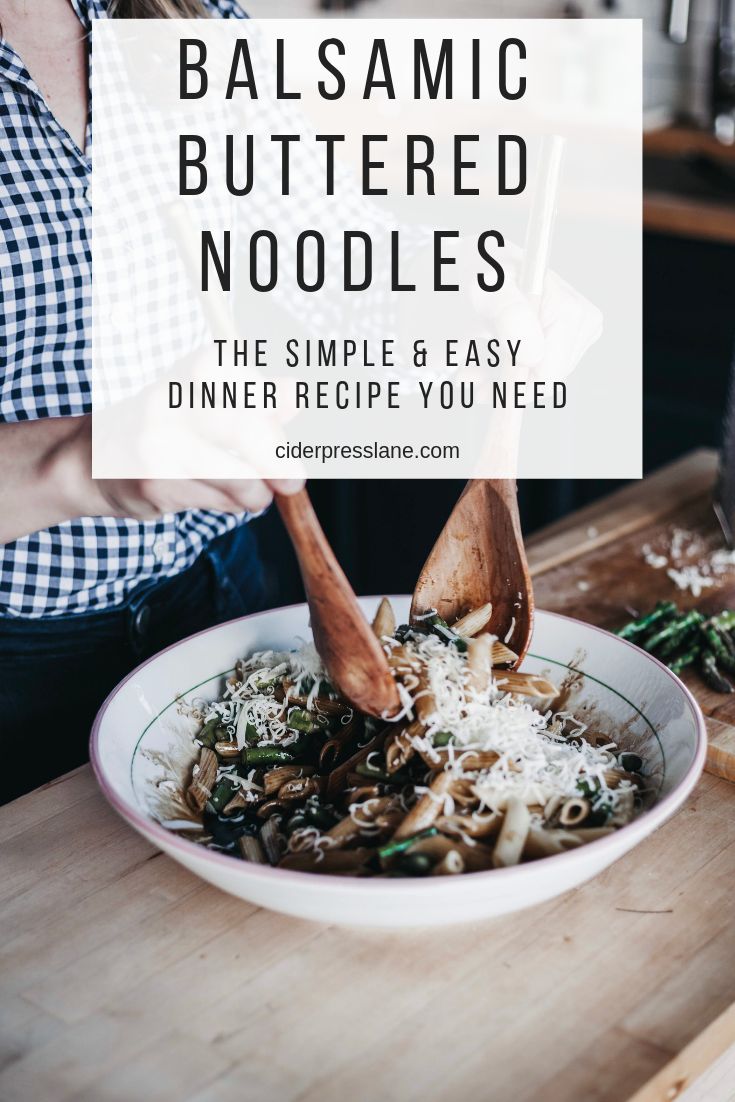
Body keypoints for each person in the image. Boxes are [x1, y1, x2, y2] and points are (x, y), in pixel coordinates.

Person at [0, 0, 602, 803]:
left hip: (230, 593)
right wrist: (75, 465)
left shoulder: (187, 17)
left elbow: (331, 247)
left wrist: (464, 295)